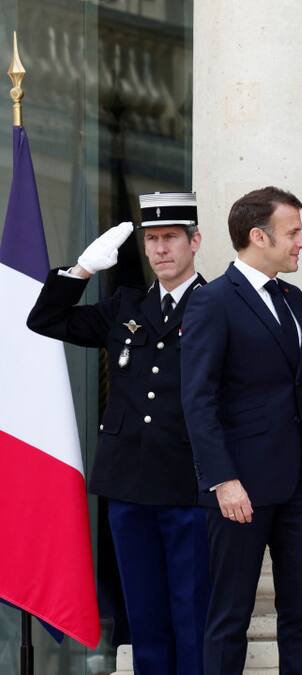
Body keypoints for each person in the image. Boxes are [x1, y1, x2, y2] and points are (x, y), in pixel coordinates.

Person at [26, 193, 209, 675]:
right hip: (127, 483)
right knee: (142, 615)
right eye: (152, 240)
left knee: (192, 614)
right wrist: (82, 270)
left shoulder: (217, 305)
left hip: (189, 483)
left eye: (171, 237)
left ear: (195, 242)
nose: (160, 249)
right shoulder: (125, 304)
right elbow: (44, 320)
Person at [182, 186, 302, 675]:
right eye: (293, 232)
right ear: (258, 236)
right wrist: (222, 479)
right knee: (229, 615)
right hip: (240, 487)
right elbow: (198, 399)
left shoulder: (293, 299)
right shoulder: (212, 301)